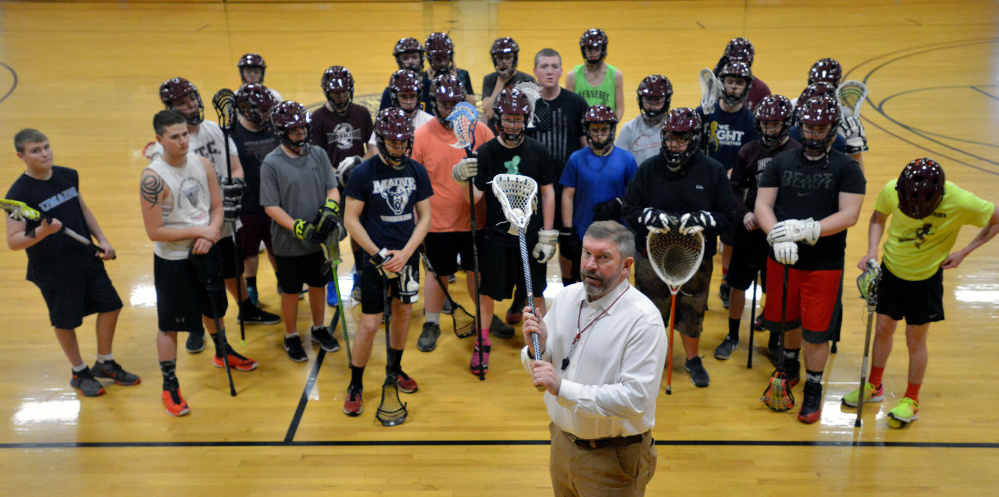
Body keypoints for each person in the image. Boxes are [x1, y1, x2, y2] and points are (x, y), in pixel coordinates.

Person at [844, 158, 998, 427]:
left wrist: (964, 252)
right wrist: (872, 250)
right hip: (891, 271)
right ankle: (875, 386)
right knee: (882, 329)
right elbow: (878, 217)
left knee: (915, 340)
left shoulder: (961, 201)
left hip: (925, 280)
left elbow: (996, 220)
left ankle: (912, 400)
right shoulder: (892, 189)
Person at [521, 220, 666, 497]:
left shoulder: (643, 321)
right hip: (562, 444)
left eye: (603, 257)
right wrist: (535, 350)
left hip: (613, 458)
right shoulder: (566, 297)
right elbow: (544, 370)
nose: (590, 265)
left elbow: (636, 400)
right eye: (587, 253)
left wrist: (562, 388)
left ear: (626, 266)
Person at [755, 96, 866, 424]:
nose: (814, 134)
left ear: (832, 129)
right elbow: (763, 204)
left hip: (824, 263)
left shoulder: (847, 167)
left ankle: (814, 386)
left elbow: (851, 214)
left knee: (816, 330)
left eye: (821, 128)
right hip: (783, 259)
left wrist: (810, 229)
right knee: (788, 319)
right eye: (809, 127)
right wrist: (777, 235)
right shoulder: (780, 162)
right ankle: (790, 366)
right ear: (799, 126)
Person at [140, 110, 258, 417]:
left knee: (215, 309)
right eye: (174, 136)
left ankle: (222, 353)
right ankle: (169, 385)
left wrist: (211, 233)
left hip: (208, 249)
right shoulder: (152, 177)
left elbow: (217, 208)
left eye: (184, 135)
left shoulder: (202, 163)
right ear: (159, 140)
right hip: (174, 261)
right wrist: (199, 231)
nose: (182, 141)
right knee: (170, 325)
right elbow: (154, 231)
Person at [6, 128, 139, 397]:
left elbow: (83, 209)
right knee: (66, 322)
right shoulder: (16, 195)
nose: (44, 153)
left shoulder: (67, 175)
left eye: (46, 146)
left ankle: (105, 362)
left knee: (111, 306)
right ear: (21, 156)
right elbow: (14, 240)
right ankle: (79, 371)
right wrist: (43, 231)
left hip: (85, 257)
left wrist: (102, 239)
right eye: (35, 150)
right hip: (53, 270)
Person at [157, 77, 278, 356]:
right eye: (183, 102)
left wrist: (235, 185)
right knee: (202, 282)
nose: (191, 105)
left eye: (193, 98)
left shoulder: (215, 130)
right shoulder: (175, 143)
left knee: (231, 267)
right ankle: (198, 328)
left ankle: (246, 308)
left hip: (223, 216)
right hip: (194, 226)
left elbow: (235, 168)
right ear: (171, 109)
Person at [621, 107, 736, 388]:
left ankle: (692, 359)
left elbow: (728, 215)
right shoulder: (649, 168)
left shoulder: (713, 171)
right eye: (670, 138)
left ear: (695, 139)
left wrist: (705, 220)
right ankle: (649, 359)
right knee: (649, 310)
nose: (674, 144)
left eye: (681, 139)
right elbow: (629, 207)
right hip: (650, 256)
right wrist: (648, 216)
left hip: (696, 257)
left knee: (693, 308)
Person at [410, 73, 513, 370]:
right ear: (434, 103)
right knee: (436, 275)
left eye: (454, 102)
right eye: (442, 103)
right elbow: (416, 182)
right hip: (437, 223)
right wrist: (417, 222)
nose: (448, 107)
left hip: (476, 222)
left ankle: (485, 317)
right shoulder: (421, 137)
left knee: (477, 274)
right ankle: (431, 323)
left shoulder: (480, 131)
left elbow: (495, 169)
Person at [342, 108, 433, 417]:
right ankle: (355, 384)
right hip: (375, 260)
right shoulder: (363, 173)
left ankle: (394, 370)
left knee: (403, 315)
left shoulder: (417, 171)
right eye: (393, 143)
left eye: (403, 142)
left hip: (406, 257)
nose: (399, 149)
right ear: (380, 141)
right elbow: (351, 221)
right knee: (369, 324)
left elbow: (426, 217)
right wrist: (378, 254)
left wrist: (406, 253)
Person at [713, 95, 802, 361]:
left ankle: (775, 340)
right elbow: (735, 188)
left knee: (774, 288)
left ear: (786, 124)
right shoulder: (747, 151)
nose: (769, 129)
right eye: (765, 124)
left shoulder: (796, 153)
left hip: (779, 234)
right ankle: (732, 335)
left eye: (775, 125)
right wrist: (745, 213)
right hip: (749, 231)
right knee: (738, 284)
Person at [464, 88, 556, 324]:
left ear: (526, 120)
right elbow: (473, 198)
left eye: (518, 120)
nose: (513, 125)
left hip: (532, 237)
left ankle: (539, 345)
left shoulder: (539, 151)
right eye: (508, 119)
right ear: (498, 119)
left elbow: (547, 193)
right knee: (486, 294)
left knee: (535, 294)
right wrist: (463, 178)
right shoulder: (485, 153)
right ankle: (482, 342)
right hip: (497, 238)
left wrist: (547, 234)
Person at [260, 101, 342, 362]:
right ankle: (291, 335)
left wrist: (330, 208)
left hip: (319, 241)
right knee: (291, 292)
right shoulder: (271, 163)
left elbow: (332, 188)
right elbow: (271, 206)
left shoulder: (318, 154)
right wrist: (297, 226)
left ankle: (319, 329)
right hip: (288, 244)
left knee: (319, 285)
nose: (301, 135)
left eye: (303, 129)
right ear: (282, 132)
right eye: (294, 131)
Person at [528, 48, 589, 301]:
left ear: (562, 71)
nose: (550, 71)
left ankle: (569, 292)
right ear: (535, 71)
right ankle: (527, 293)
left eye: (554, 66)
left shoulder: (576, 103)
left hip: (568, 189)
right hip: (535, 189)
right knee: (534, 240)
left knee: (568, 240)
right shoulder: (527, 103)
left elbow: (586, 144)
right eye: (544, 66)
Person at [697, 61, 758, 311]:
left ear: (746, 87)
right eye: (730, 82)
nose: (733, 88)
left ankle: (725, 281)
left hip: (733, 189)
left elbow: (752, 155)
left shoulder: (750, 121)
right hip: (705, 187)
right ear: (722, 84)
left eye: (739, 83)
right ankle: (699, 285)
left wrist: (731, 174)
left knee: (730, 241)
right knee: (703, 240)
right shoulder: (705, 112)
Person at [312, 66, 374, 305]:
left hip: (359, 185)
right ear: (327, 93)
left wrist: (360, 167)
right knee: (331, 236)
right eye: (336, 93)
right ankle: (331, 282)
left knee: (359, 232)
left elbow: (373, 147)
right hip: (331, 187)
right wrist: (337, 175)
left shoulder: (361, 113)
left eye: (344, 92)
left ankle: (359, 274)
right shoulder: (317, 118)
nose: (341, 97)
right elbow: (317, 157)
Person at [559, 104, 638, 284]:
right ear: (587, 131)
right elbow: (568, 195)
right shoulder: (576, 159)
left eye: (604, 129)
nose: (599, 134)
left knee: (614, 282)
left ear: (611, 130)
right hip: (583, 234)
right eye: (594, 130)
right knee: (584, 285)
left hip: (616, 235)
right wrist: (568, 230)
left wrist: (618, 203)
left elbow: (635, 195)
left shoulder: (626, 159)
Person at [231, 83, 281, 309]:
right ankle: (251, 289)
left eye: (268, 110)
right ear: (247, 110)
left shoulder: (275, 128)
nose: (267, 115)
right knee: (249, 252)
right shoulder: (233, 134)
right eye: (262, 111)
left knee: (277, 249)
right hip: (247, 203)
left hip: (276, 202)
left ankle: (284, 282)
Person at [565, 29, 625, 120]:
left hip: (606, 130)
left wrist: (610, 127)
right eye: (589, 49)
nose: (592, 52)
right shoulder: (572, 76)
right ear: (583, 50)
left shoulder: (616, 75)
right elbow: (569, 108)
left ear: (602, 49)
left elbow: (620, 108)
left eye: (596, 49)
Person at [482, 37, 537, 134]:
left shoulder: (528, 80)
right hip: (496, 136)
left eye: (508, 58)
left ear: (515, 58)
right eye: (499, 58)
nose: (503, 62)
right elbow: (489, 113)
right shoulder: (489, 79)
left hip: (520, 135)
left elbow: (532, 116)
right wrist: (500, 82)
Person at [616, 75, 672, 165]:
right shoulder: (628, 129)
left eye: (657, 101)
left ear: (666, 101)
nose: (652, 106)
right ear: (640, 100)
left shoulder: (673, 130)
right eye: (648, 100)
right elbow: (618, 163)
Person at [712, 37, 771, 111]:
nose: (737, 68)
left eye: (741, 64)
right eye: (733, 63)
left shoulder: (761, 89)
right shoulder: (717, 85)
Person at [377, 38, 428, 113]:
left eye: (415, 57)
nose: (411, 62)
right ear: (399, 61)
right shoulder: (389, 93)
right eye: (405, 58)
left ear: (421, 59)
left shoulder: (431, 87)